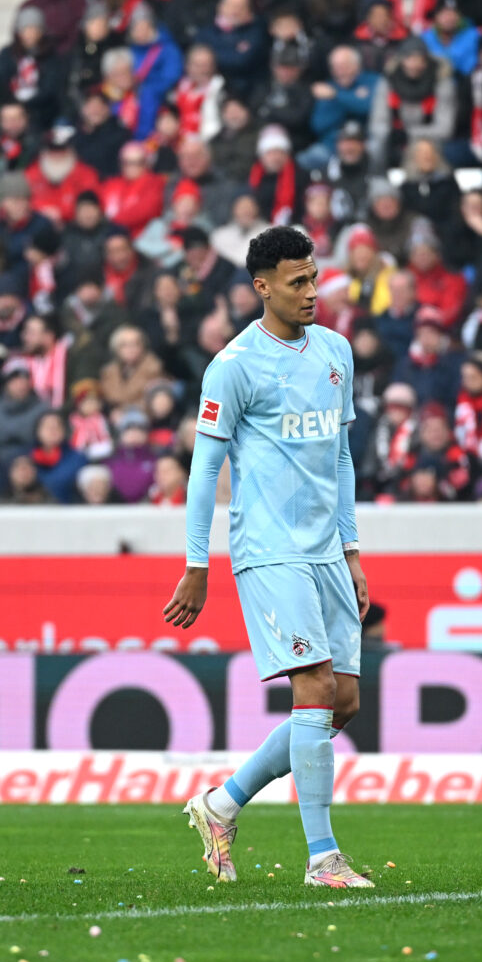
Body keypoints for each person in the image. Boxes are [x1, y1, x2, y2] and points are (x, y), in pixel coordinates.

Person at [165, 226, 371, 889]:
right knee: (313, 687)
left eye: (314, 278)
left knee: (342, 702)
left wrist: (352, 550)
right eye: (296, 281)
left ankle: (220, 804)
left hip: (326, 549)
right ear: (262, 287)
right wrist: (197, 563)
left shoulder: (335, 351)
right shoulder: (234, 365)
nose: (311, 291)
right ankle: (323, 859)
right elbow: (204, 470)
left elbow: (340, 458)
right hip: (268, 548)